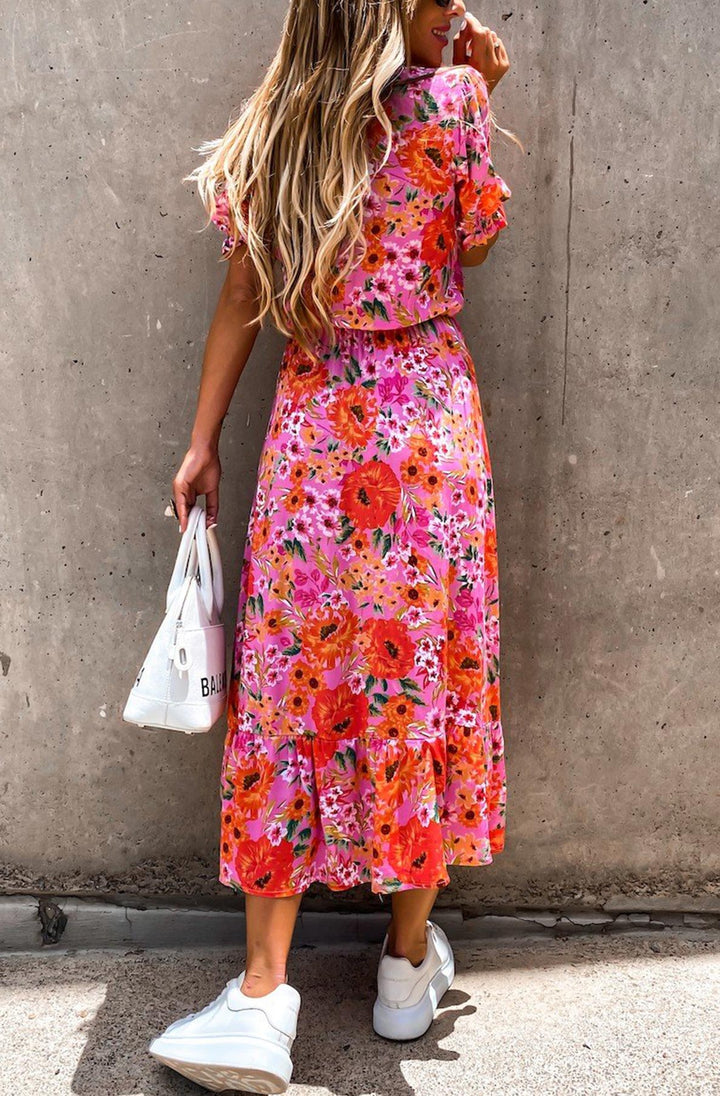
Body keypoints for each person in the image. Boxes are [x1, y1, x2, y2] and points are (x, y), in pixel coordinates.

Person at [149, 0, 519, 1091]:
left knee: (290, 695)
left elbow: (243, 296)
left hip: (318, 440)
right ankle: (405, 973)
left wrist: (202, 442)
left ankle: (263, 996)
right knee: (425, 687)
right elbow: (475, 241)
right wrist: (480, 98)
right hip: (432, 442)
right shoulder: (453, 105)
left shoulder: (282, 128)